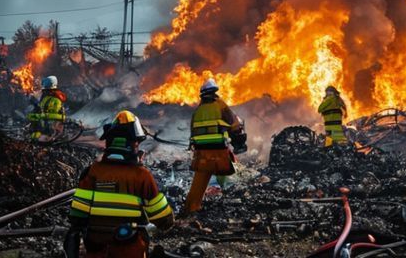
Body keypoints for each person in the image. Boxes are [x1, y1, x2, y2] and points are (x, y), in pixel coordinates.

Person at [66, 110, 173, 258]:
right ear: (133, 144)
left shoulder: (92, 172)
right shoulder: (142, 176)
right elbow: (164, 220)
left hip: (96, 249)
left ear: (109, 143)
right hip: (129, 248)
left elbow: (77, 217)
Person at [183, 78, 246, 213]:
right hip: (219, 153)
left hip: (201, 155)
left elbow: (193, 134)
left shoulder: (198, 111)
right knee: (229, 179)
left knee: (197, 186)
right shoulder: (221, 105)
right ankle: (233, 203)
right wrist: (238, 143)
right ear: (214, 93)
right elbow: (234, 125)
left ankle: (190, 210)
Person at [28, 75, 66, 141]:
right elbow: (42, 107)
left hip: (52, 128)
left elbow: (51, 115)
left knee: (39, 140)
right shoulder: (48, 97)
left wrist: (39, 116)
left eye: (45, 91)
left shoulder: (55, 99)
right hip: (47, 124)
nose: (44, 92)